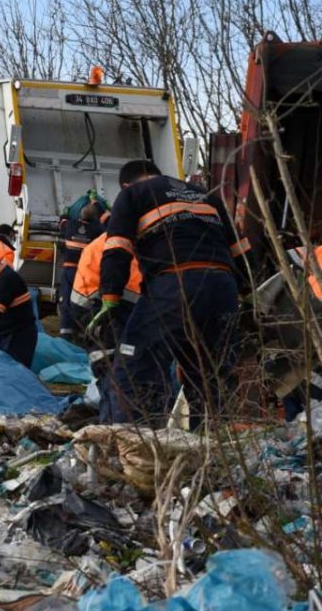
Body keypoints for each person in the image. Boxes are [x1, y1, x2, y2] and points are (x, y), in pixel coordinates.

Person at [98, 159, 250, 427]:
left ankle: (135, 447)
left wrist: (110, 298)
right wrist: (248, 295)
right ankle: (215, 447)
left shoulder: (133, 195)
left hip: (176, 285)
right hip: (223, 286)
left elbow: (117, 248)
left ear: (124, 184)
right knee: (210, 374)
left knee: (135, 369)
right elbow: (241, 251)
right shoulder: (206, 196)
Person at [72, 215, 143, 349]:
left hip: (91, 302)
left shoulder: (105, 240)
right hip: (101, 305)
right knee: (116, 353)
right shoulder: (125, 244)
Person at [57, 195, 105, 338]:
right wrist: (98, 205)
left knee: (66, 299)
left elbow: (62, 221)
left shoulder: (71, 226)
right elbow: (108, 224)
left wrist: (65, 211)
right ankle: (85, 332)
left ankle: (66, 333)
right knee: (86, 302)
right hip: (87, 273)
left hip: (69, 270)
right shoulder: (98, 230)